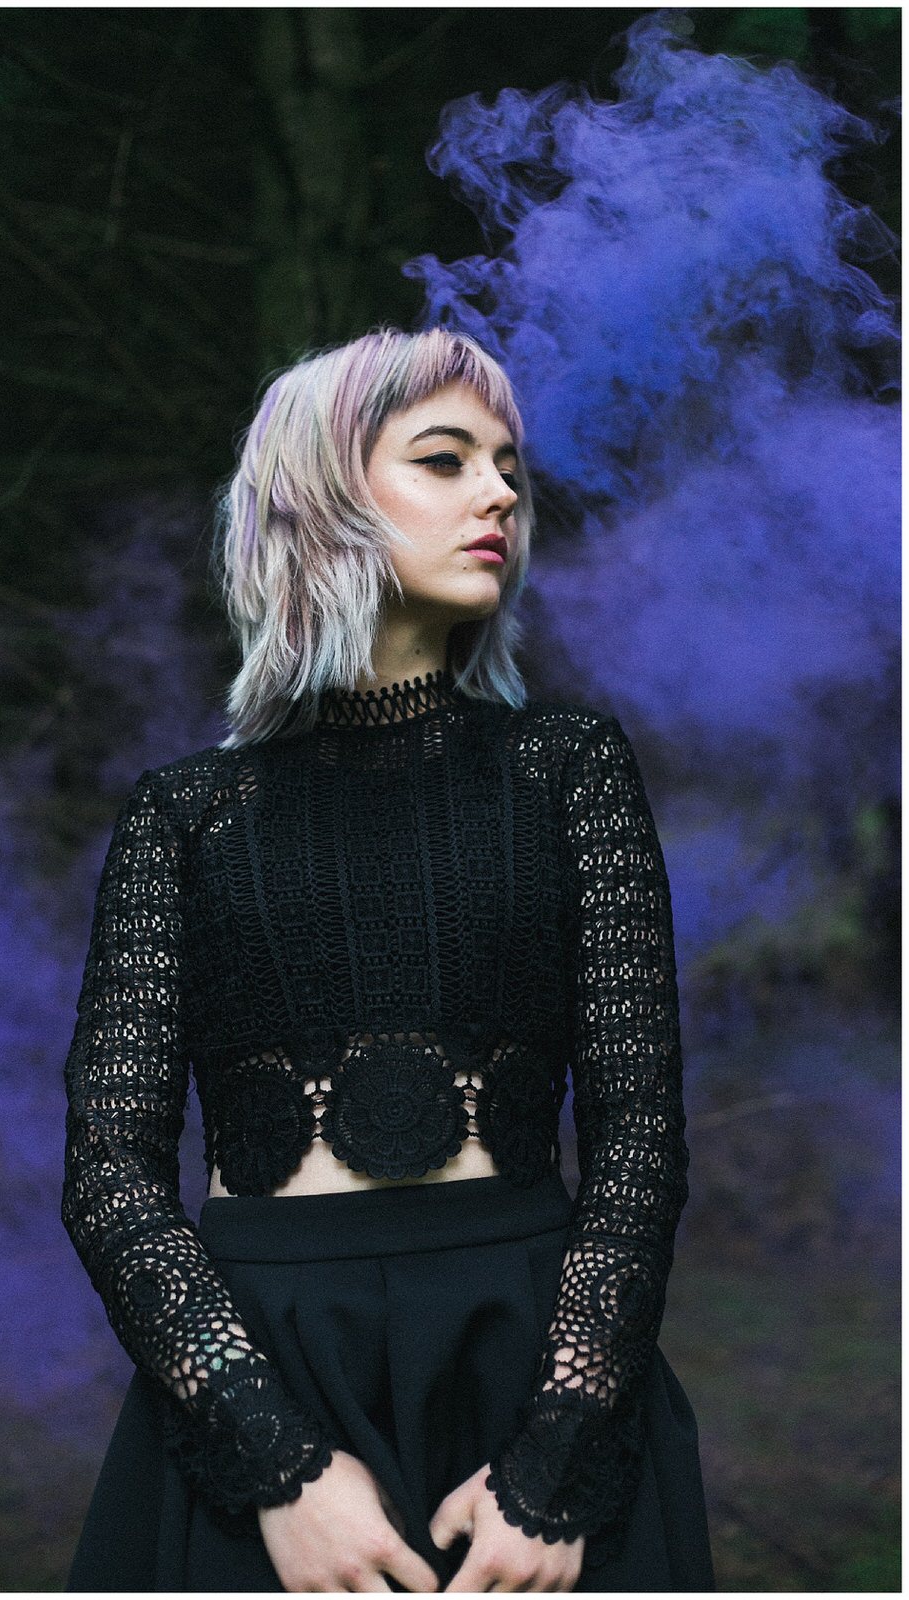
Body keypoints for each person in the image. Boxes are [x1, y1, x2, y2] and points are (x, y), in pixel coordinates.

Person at [61, 326, 716, 1593]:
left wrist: (556, 1456)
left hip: (530, 1359)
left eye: (509, 467)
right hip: (255, 1373)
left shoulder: (566, 771)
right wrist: (279, 1467)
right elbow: (110, 1175)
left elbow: (640, 1137)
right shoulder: (185, 818)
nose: (501, 495)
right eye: (445, 458)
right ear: (320, 496)